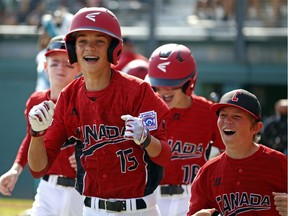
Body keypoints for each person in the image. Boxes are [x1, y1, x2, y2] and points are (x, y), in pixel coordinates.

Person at [27, 7, 172, 216]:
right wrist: (37, 134)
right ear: (73, 48)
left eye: (99, 41)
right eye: (82, 41)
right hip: (92, 209)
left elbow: (165, 156)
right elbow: (38, 168)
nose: (90, 48)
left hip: (139, 209)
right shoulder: (69, 97)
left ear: (113, 48)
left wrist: (147, 140)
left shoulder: (138, 91)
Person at [0, 35, 83, 216]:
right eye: (54, 62)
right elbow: (31, 137)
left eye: (67, 63)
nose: (60, 67)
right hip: (48, 187)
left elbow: (104, 138)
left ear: (78, 68)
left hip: (82, 189)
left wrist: (87, 155)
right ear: (45, 67)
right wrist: (16, 169)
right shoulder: (36, 101)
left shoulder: (87, 101)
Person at [146, 43, 225, 216]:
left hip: (193, 197)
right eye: (159, 84)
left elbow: (229, 155)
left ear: (189, 83)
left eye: (172, 84)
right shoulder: (146, 112)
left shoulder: (209, 112)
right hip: (152, 198)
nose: (165, 90)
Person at [187, 89, 288, 216]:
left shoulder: (279, 163)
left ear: (256, 127)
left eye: (237, 116)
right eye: (223, 115)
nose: (227, 121)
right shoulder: (207, 172)